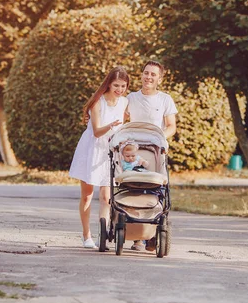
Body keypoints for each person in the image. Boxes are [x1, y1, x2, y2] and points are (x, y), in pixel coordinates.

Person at [69, 67, 129, 248]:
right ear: (109, 84)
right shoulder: (98, 102)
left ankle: (102, 234)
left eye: (123, 86)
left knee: (106, 197)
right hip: (92, 149)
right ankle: (86, 235)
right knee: (87, 195)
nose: (119, 89)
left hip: (111, 150)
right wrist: (111, 126)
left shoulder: (124, 102)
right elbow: (96, 132)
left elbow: (126, 124)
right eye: (116, 85)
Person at [125, 60, 178, 251]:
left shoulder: (165, 99)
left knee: (157, 189)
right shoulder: (131, 98)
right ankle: (137, 237)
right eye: (146, 73)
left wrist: (158, 136)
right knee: (133, 188)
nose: (148, 77)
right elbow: (121, 120)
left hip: (155, 150)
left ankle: (154, 234)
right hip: (132, 150)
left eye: (153, 74)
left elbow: (171, 126)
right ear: (141, 74)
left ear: (159, 79)